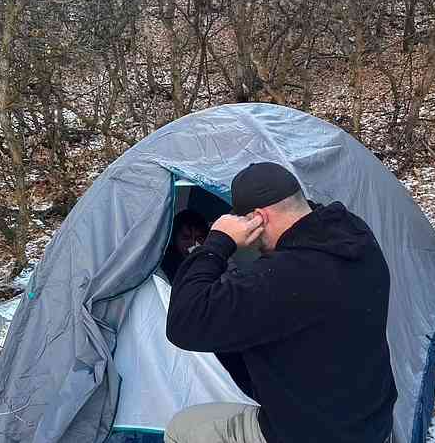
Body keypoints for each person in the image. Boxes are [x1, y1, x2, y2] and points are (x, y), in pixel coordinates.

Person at [165, 162, 397, 443]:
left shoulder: (283, 278)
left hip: (308, 434)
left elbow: (184, 323)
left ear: (258, 218)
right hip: (371, 425)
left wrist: (218, 242)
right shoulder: (356, 234)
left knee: (181, 428)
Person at [161, 209, 209, 282]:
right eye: (186, 238)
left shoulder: (210, 263)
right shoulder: (163, 264)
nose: (193, 243)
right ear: (174, 238)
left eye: (199, 238)